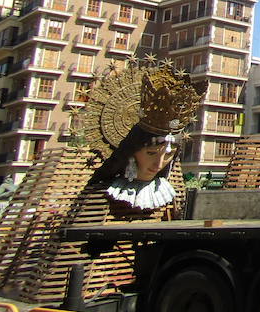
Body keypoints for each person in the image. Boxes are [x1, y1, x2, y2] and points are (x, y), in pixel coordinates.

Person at [88, 65, 207, 211]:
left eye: (169, 155)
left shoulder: (167, 197)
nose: (158, 164)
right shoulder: (98, 196)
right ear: (131, 150)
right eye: (151, 153)